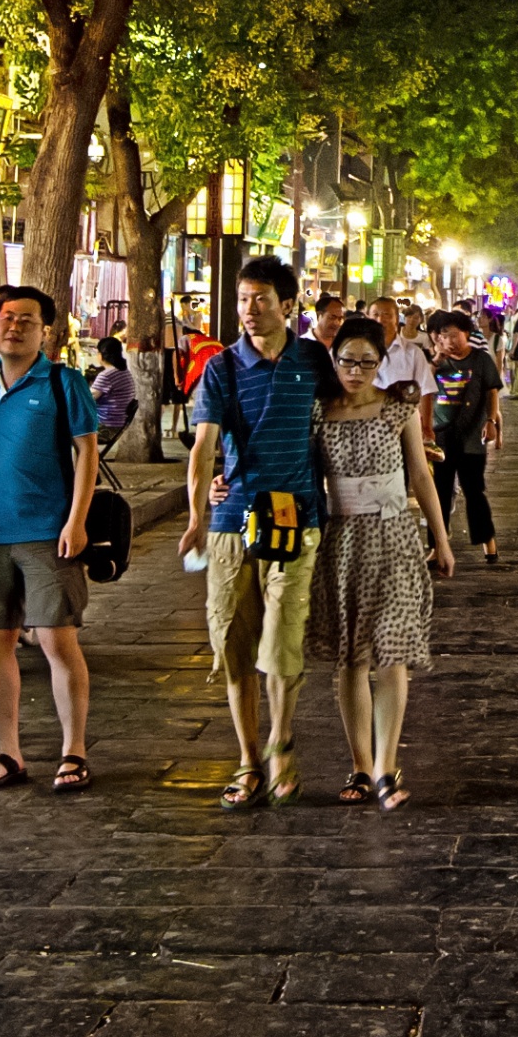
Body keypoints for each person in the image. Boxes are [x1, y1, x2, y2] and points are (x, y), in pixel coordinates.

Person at [181, 256, 323, 809]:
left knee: (282, 641)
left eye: (260, 299)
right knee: (234, 645)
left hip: (297, 517)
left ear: (288, 305)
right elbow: (203, 445)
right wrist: (196, 513)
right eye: (242, 300)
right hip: (231, 522)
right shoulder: (221, 368)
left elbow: (339, 416)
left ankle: (281, 743)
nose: (248, 310)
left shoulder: (313, 360)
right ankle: (247, 759)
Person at [308, 315, 454, 808]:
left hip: (394, 539)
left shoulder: (399, 408)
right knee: (352, 657)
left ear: (380, 362)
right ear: (334, 359)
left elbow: (420, 474)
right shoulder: (319, 412)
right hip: (340, 541)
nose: (356, 370)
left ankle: (388, 767)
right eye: (347, 360)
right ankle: (359, 765)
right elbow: (290, 467)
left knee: (391, 653)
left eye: (367, 361)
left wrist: (441, 535)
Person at [0, 285, 99, 794]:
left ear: (47, 331)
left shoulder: (63, 382)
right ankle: (9, 753)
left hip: (48, 533)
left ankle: (74, 752)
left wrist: (76, 520)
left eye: (27, 319)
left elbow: (86, 453)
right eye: (6, 317)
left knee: (56, 640)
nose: (14, 326)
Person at [427, 308, 502, 564]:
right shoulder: (435, 363)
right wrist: (436, 359)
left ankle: (488, 541)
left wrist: (492, 421)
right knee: (439, 492)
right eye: (443, 335)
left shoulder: (481, 360)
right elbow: (422, 388)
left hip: (472, 437)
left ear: (467, 334)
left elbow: (492, 391)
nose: (450, 340)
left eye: (455, 334)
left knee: (474, 490)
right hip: (440, 437)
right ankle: (437, 545)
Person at [370, 296, 436, 440]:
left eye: (387, 314)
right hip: (367, 426)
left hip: (405, 428)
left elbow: (426, 391)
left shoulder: (413, 353)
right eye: (375, 315)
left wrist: (426, 427)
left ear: (396, 319)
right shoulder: (359, 353)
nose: (380, 320)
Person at [90, 337, 135, 437]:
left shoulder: (106, 375)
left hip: (105, 427)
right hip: (117, 425)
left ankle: (85, 453)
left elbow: (87, 399)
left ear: (101, 355)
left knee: (62, 427)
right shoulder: (124, 372)